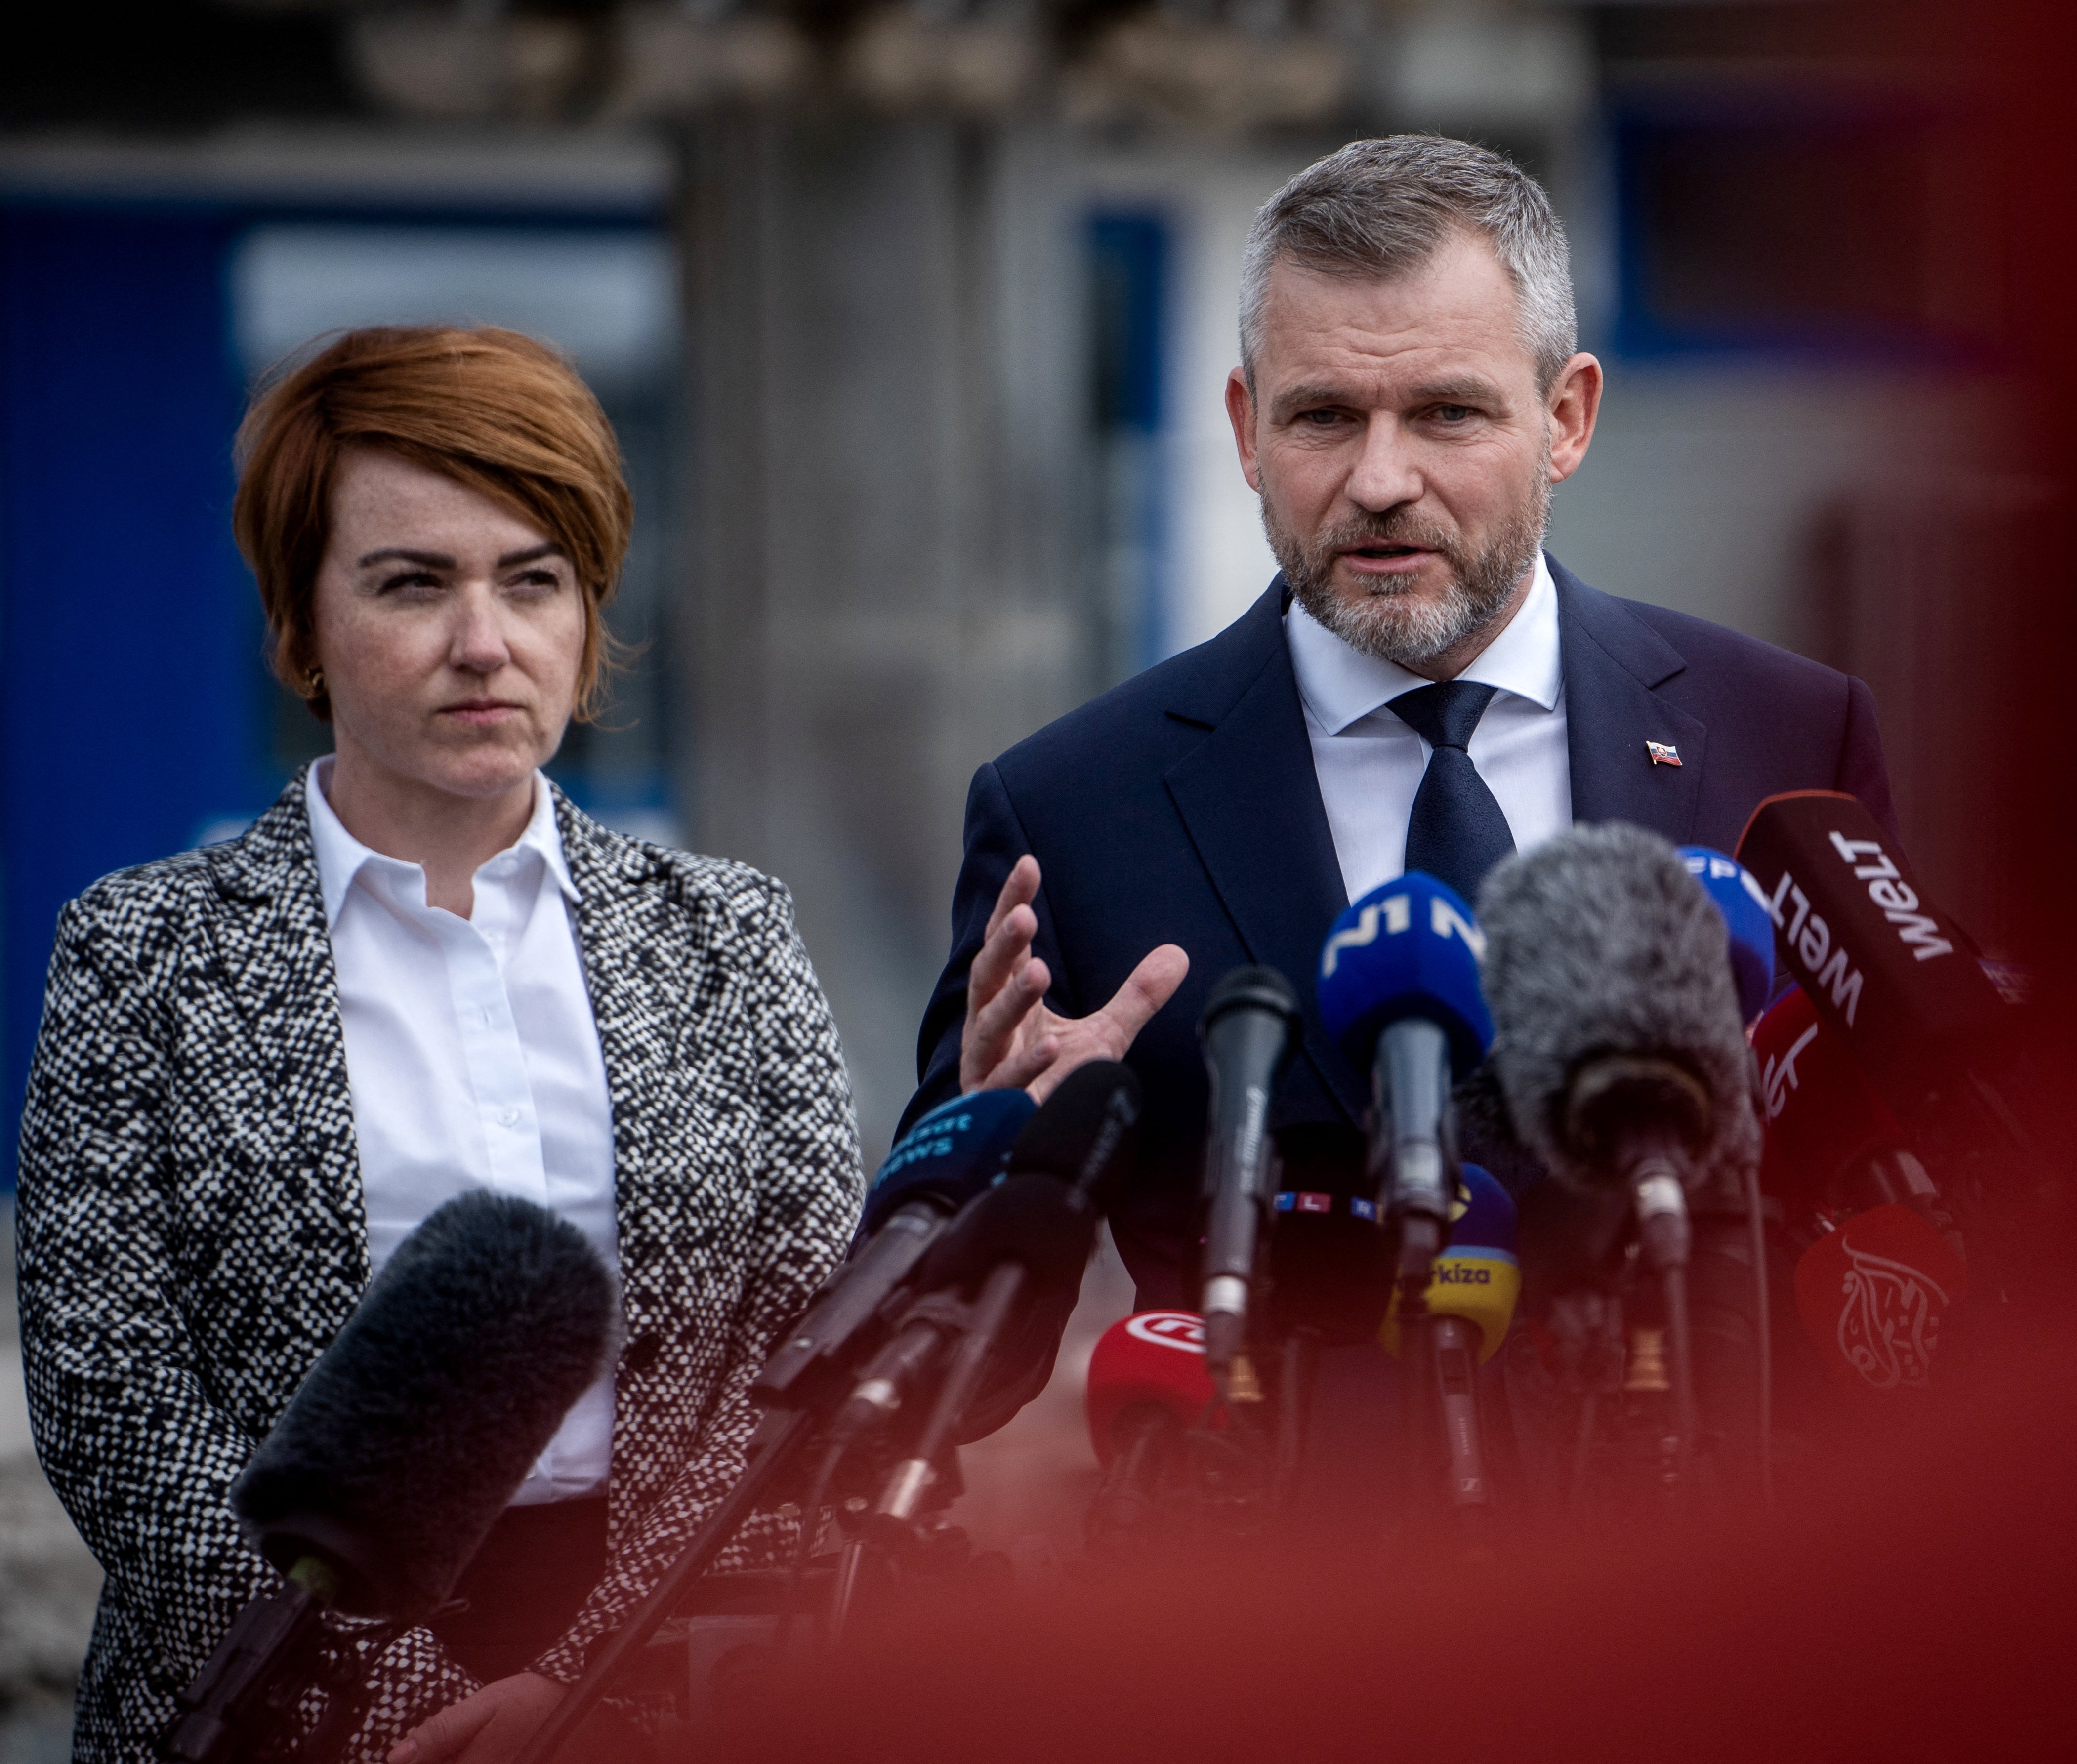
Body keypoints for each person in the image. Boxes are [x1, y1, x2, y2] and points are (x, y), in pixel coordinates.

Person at [13, 327, 864, 1764]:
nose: (487, 640)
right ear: (297, 627)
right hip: (264, 1705)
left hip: (668, 1697)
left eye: (532, 580)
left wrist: (589, 1686)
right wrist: (382, 1687)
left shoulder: (730, 936)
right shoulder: (142, 954)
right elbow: (116, 1405)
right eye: (414, 582)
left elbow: (797, 1359)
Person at [904, 135, 1897, 1310]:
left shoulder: (1786, 740)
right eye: (1324, 417)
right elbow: (952, 1357)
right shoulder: (1072, 816)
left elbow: (1886, 1237)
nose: (1380, 479)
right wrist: (987, 1156)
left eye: (1444, 413)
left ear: (1566, 418)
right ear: (1244, 428)